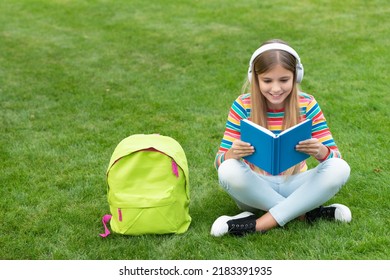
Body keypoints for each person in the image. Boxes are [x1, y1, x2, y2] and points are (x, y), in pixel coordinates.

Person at [211, 39, 351, 237]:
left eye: (284, 80)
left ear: (296, 76)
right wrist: (233, 153)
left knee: (340, 168)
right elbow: (219, 163)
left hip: (296, 183)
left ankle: (257, 224)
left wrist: (320, 150)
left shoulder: (308, 104)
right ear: (255, 78)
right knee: (228, 170)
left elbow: (336, 158)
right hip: (256, 187)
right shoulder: (242, 105)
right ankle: (304, 213)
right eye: (267, 81)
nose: (276, 89)